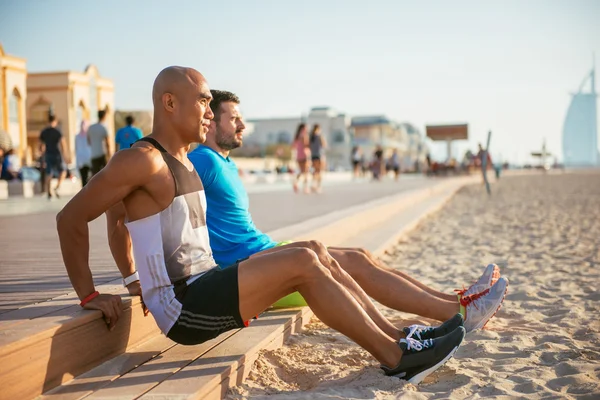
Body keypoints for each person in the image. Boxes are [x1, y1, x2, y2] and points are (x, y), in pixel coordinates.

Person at [57, 67, 466, 385]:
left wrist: (134, 279)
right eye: (202, 101)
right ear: (169, 103)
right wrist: (91, 293)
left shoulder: (185, 158)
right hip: (183, 306)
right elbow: (75, 218)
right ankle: (397, 359)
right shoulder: (142, 159)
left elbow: (122, 222)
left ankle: (399, 338)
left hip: (207, 283)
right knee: (304, 260)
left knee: (312, 251)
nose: (208, 110)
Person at [186, 90, 509, 333]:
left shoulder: (222, 161)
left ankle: (459, 303)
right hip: (249, 272)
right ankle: (463, 315)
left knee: (359, 254)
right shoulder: (202, 160)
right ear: (211, 123)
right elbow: (163, 202)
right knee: (354, 263)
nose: (242, 124)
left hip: (264, 252)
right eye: (233, 118)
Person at [39, 114, 69, 199]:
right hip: (57, 153)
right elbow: (63, 144)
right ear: (55, 121)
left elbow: (41, 146)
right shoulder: (57, 131)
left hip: (48, 154)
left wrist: (42, 155)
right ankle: (57, 187)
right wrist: (65, 155)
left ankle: (48, 191)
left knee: (49, 173)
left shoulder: (44, 132)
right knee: (63, 171)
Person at [88, 109, 110, 176]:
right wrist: (109, 154)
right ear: (104, 116)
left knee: (95, 175)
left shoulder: (91, 127)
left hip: (93, 154)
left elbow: (88, 141)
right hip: (102, 154)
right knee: (106, 174)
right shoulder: (104, 127)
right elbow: (107, 143)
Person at [292, 123, 310, 193]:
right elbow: (306, 145)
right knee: (305, 172)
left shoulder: (297, 136)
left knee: (301, 171)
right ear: (303, 128)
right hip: (305, 155)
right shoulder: (304, 135)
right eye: (306, 127)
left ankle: (295, 182)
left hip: (299, 156)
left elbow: (293, 146)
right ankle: (305, 188)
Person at [309, 124, 326, 193]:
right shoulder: (319, 136)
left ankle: (314, 184)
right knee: (319, 171)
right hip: (319, 155)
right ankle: (318, 186)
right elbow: (324, 145)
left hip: (313, 155)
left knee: (315, 171)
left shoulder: (311, 137)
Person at [75, 121, 92, 187]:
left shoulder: (77, 136)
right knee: (88, 176)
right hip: (88, 157)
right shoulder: (89, 136)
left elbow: (76, 148)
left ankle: (84, 191)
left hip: (81, 159)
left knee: (83, 177)